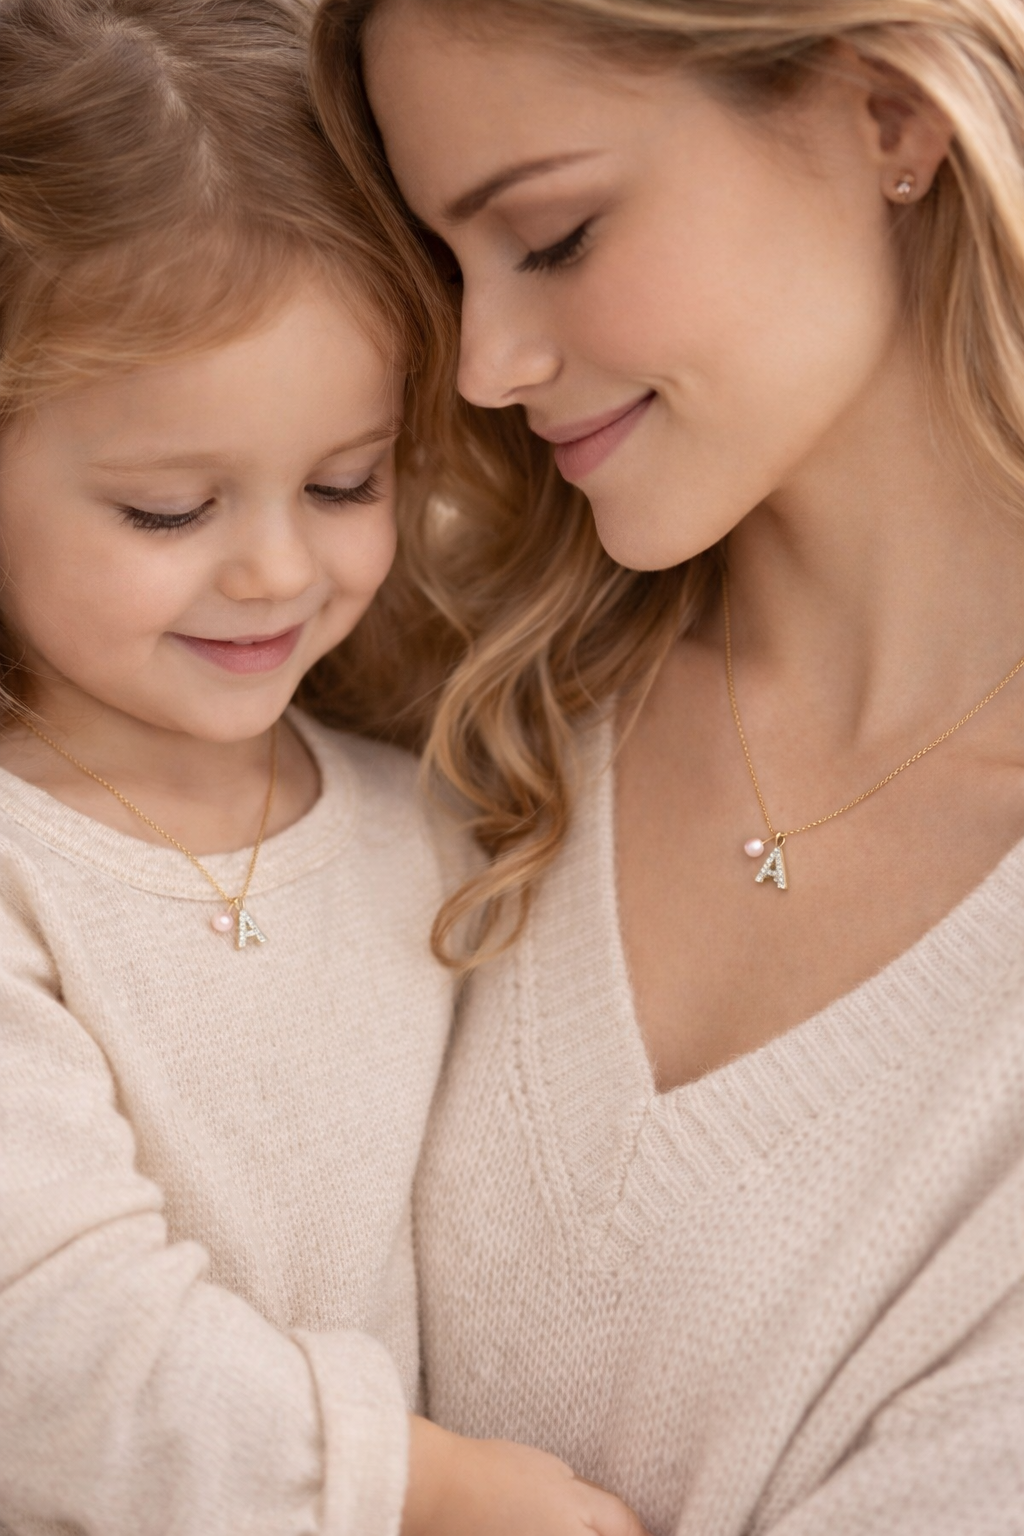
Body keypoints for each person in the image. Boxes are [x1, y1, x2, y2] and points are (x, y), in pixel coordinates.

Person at [311, 1, 1024, 1531]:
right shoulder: (410, 680)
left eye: (552, 237)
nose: (486, 364)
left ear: (887, 116)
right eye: (448, 262)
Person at [0, 2, 651, 1533]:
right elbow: (48, 1340)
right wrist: (425, 1488)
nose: (279, 571)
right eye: (170, 509)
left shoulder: (427, 811)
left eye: (348, 482)